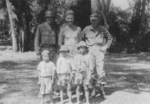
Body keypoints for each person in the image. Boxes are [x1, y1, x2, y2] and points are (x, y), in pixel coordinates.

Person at [81, 14, 113, 99]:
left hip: (99, 50)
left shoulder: (102, 28)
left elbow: (110, 38)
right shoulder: (86, 29)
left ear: (98, 20)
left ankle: (102, 91)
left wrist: (105, 47)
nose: (93, 22)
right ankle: (93, 90)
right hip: (90, 51)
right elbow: (81, 40)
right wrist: (84, 49)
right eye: (91, 20)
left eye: (95, 20)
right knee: (91, 71)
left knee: (100, 71)